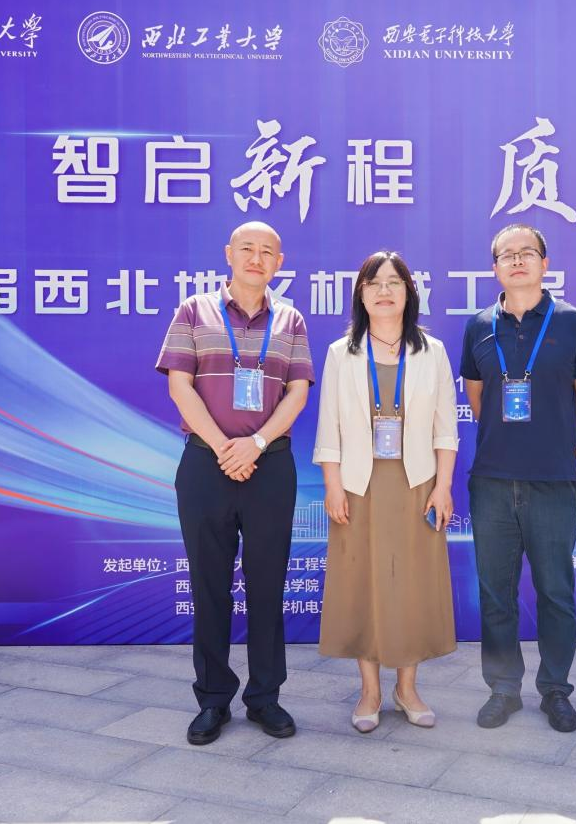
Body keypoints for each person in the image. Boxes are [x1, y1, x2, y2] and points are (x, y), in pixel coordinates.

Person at [156, 221, 314, 744]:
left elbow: (296, 393)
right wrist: (226, 447)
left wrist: (256, 444)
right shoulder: (193, 311)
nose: (256, 257)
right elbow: (180, 386)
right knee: (209, 587)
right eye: (247, 248)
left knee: (268, 586)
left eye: (267, 251)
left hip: (271, 466)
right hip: (207, 465)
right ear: (229, 253)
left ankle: (265, 697)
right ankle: (213, 698)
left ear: (279, 262)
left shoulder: (290, 319)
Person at [459, 223, 576, 732]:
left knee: (555, 592)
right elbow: (477, 398)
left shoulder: (573, 323)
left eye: (527, 253)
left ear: (545, 262)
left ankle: (555, 690)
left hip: (553, 481)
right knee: (496, 594)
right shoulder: (479, 327)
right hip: (493, 481)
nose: (517, 260)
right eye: (507, 254)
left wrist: (556, 436)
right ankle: (503, 690)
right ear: (495, 267)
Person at [314, 250, 459, 732]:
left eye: (394, 282)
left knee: (412, 585)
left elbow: (445, 429)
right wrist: (333, 486)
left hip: (416, 484)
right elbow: (329, 428)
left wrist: (443, 486)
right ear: (361, 294)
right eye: (373, 282)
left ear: (409, 292)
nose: (384, 290)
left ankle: (407, 688)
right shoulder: (341, 353)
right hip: (359, 484)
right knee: (363, 584)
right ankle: (370, 691)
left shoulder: (432, 352)